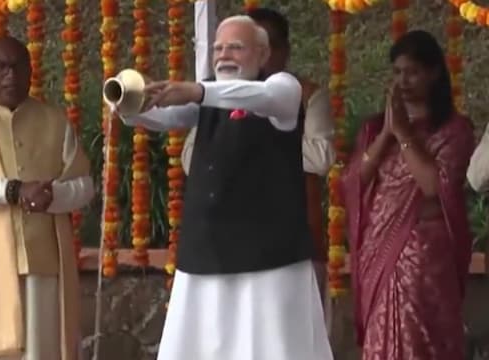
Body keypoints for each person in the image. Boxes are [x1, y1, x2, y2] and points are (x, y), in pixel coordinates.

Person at [115, 15, 333, 360]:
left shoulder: (283, 88)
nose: (223, 55)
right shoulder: (205, 98)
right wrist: (129, 106)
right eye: (218, 48)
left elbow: (257, 97)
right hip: (206, 253)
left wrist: (198, 91)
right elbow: (165, 116)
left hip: (269, 258)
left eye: (236, 47)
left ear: (263, 54)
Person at [0, 36, 94, 360]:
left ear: (31, 71)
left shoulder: (55, 123)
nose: (9, 75)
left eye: (17, 67)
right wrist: (10, 191)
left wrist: (53, 195)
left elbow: (84, 186)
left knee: (44, 349)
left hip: (45, 261)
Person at [181, 7, 335, 297]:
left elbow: (322, 155)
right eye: (233, 47)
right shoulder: (215, 94)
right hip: (223, 244)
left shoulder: (304, 93)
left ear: (279, 51)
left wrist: (257, 149)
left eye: (267, 45)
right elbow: (191, 159)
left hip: (287, 239)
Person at [341, 30, 474, 360]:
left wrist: (402, 134)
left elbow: (435, 186)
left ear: (434, 73)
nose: (403, 81)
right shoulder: (376, 129)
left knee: (419, 337)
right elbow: (354, 180)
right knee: (380, 334)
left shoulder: (453, 130)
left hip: (423, 254)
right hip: (378, 246)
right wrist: (387, 132)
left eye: (412, 72)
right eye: (397, 72)